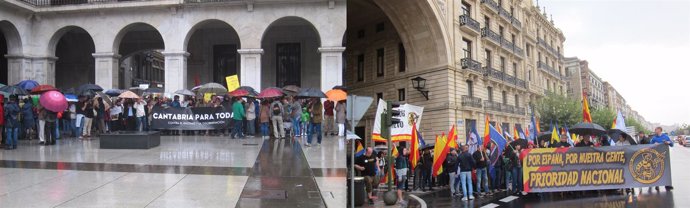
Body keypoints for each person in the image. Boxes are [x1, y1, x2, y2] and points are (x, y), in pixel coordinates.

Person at [650, 127, 673, 191]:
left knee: (666, 170)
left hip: (664, 156)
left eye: (656, 130)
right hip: (656, 156)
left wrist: (668, 142)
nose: (655, 131)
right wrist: (654, 144)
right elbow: (649, 145)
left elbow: (672, 144)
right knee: (657, 169)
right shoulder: (654, 138)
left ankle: (668, 185)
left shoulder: (665, 137)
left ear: (660, 130)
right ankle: (657, 185)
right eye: (655, 130)